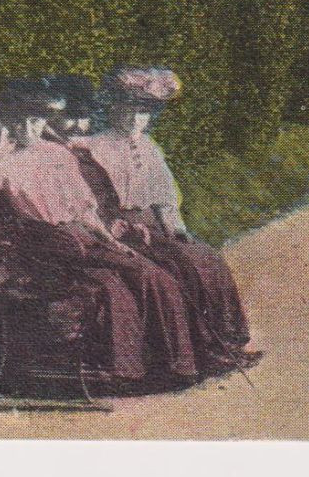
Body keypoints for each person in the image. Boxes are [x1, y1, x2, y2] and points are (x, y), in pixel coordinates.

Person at [0, 77, 201, 387]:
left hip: (79, 239)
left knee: (148, 273)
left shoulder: (57, 155)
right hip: (43, 248)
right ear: (7, 123)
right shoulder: (2, 165)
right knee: (132, 275)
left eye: (35, 121)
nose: (28, 129)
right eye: (19, 122)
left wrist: (110, 240)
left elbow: (85, 210)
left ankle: (171, 364)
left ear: (43, 122)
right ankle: (139, 370)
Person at [74, 67, 259, 373]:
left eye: (143, 113)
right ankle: (192, 355)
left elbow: (165, 196)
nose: (135, 121)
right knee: (177, 269)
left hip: (155, 226)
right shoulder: (92, 148)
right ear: (113, 110)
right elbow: (92, 201)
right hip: (123, 229)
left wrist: (174, 227)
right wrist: (116, 227)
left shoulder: (149, 148)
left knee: (205, 259)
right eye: (128, 112)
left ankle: (226, 343)